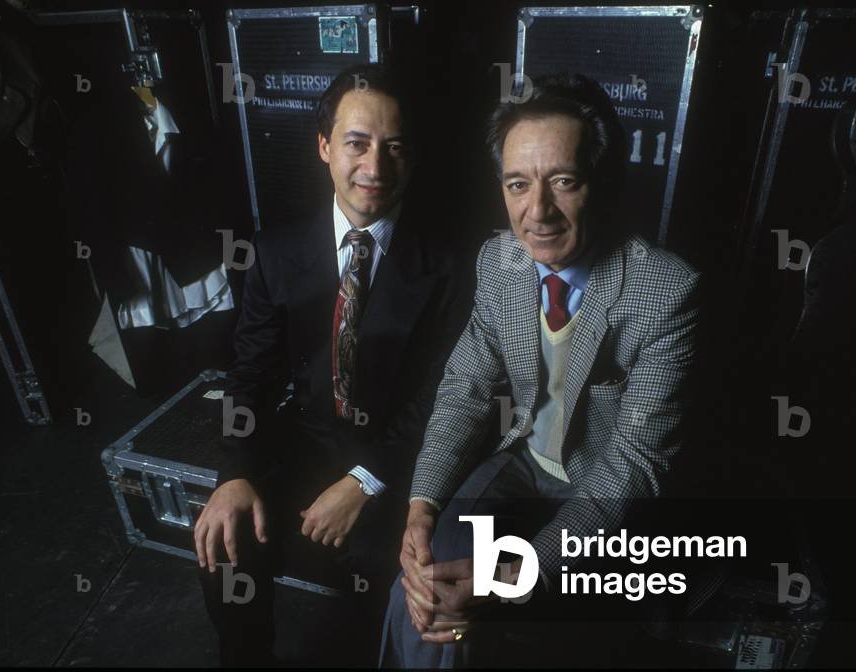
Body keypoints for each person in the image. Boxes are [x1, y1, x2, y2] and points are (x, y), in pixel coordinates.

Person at [380, 73, 702, 668]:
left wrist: (520, 570)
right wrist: (420, 505)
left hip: (607, 485)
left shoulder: (668, 291)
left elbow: (633, 468)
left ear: (600, 183)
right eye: (518, 185)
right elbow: (464, 389)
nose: (538, 212)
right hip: (525, 459)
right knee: (424, 578)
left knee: (482, 610)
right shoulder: (499, 260)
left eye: (564, 182)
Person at [194, 63, 469, 667]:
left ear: (413, 158)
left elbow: (441, 400)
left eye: (394, 148)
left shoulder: (450, 265)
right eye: (356, 143)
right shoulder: (274, 252)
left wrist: (364, 483)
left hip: (400, 463)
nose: (375, 168)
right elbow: (249, 378)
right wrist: (234, 473)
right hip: (308, 441)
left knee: (409, 596)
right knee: (227, 543)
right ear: (324, 148)